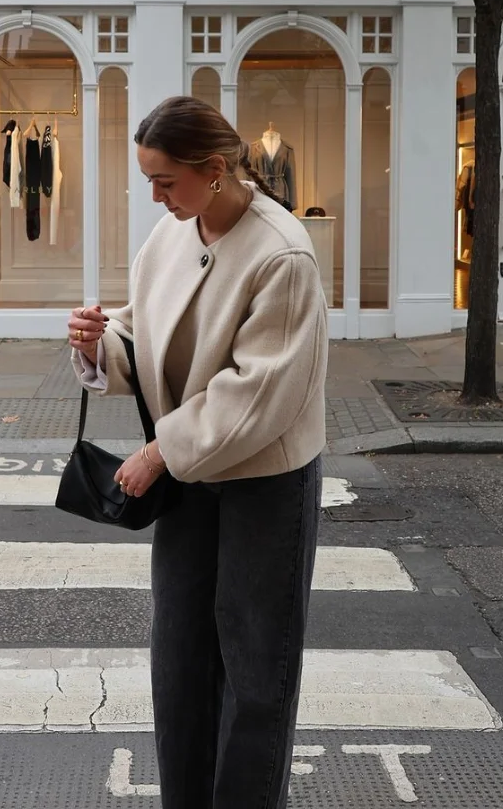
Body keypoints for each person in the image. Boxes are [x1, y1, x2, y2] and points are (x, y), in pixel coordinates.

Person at [68, 96, 328, 809]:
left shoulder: (282, 255)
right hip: (192, 476)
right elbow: (143, 328)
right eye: (149, 179)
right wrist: (99, 343)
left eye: (164, 181)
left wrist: (159, 453)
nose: (154, 195)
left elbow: (260, 392)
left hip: (262, 483)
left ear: (214, 170)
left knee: (255, 673)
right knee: (180, 662)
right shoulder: (174, 231)